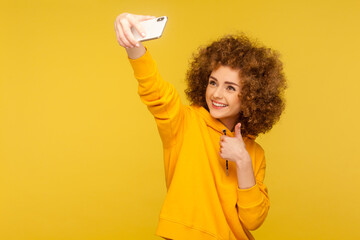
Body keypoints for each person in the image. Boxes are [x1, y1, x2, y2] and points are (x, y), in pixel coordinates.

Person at [114, 13, 286, 240]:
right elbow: (154, 91)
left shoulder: (254, 153)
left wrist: (243, 162)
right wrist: (132, 42)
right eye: (213, 82)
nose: (216, 93)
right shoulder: (184, 123)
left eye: (230, 88)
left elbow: (253, 220)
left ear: (252, 96)